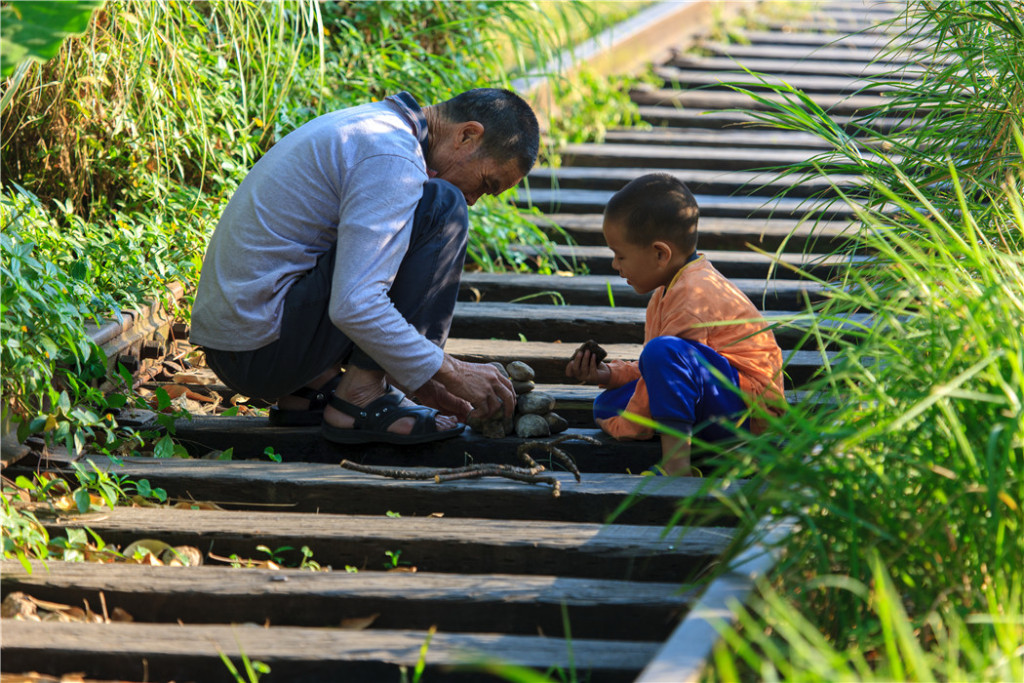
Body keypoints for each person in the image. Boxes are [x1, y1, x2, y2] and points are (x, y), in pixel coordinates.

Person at [190, 89, 539, 444]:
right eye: (485, 184)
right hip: (258, 346)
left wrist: (426, 380)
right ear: (467, 135)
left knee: (429, 207)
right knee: (442, 208)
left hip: (240, 342)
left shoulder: (377, 126)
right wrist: (450, 371)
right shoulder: (392, 157)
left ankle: (314, 388)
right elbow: (355, 304)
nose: (473, 200)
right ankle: (361, 397)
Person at [565, 173, 786, 475]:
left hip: (749, 416)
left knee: (658, 358)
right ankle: (676, 433)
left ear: (660, 254)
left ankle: (676, 465)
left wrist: (628, 424)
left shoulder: (693, 294)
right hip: (717, 399)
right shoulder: (667, 290)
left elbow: (666, 360)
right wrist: (609, 374)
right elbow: (657, 371)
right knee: (606, 403)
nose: (615, 266)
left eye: (620, 255)